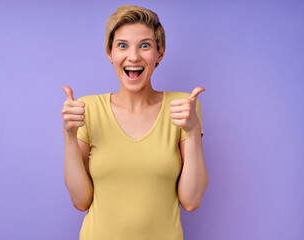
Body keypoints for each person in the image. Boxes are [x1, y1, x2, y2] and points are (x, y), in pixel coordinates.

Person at [61, 5, 208, 240]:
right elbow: (80, 201)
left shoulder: (182, 107)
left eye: (145, 45)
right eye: (122, 45)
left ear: (159, 53)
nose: (133, 56)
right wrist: (69, 135)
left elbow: (191, 201)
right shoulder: (87, 109)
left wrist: (193, 131)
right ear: (110, 53)